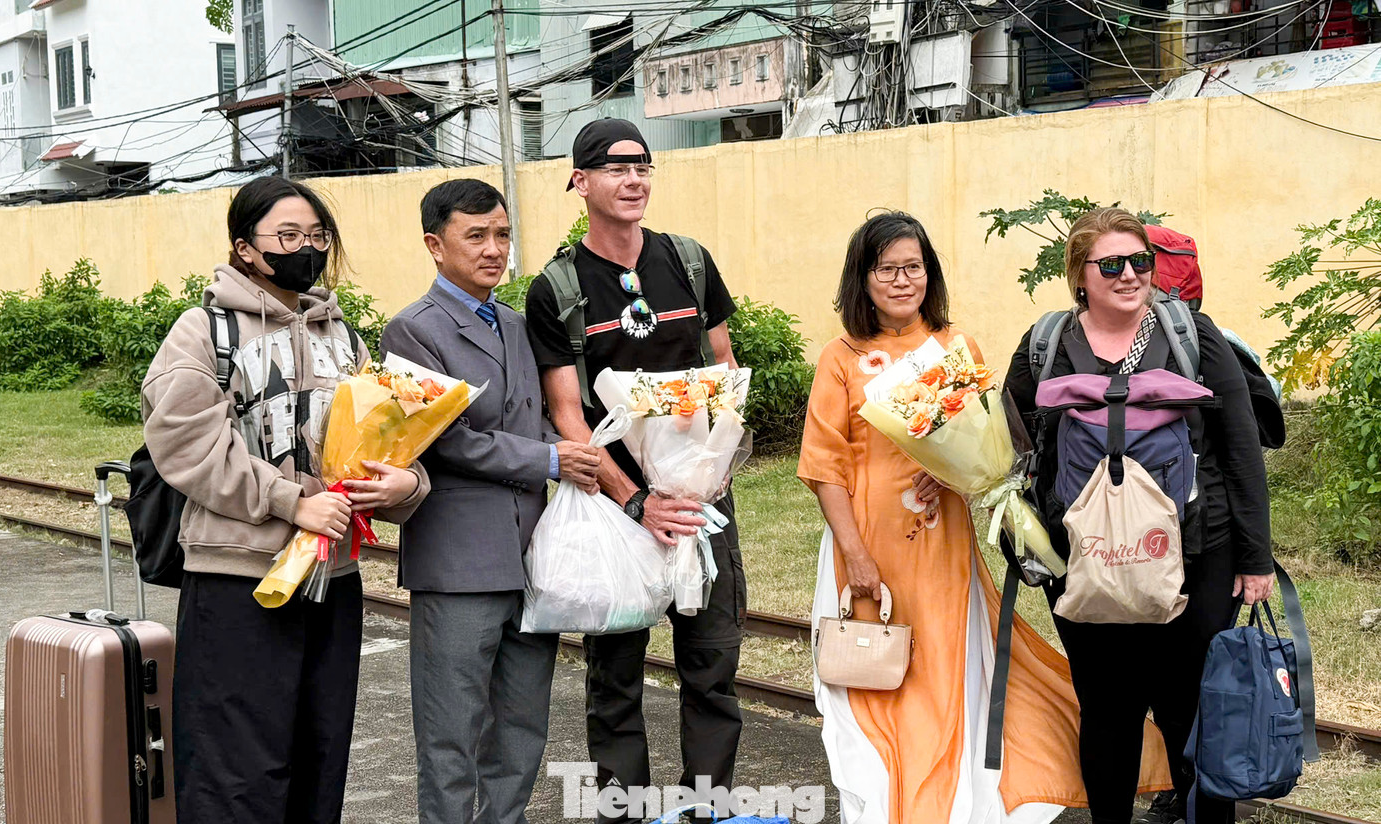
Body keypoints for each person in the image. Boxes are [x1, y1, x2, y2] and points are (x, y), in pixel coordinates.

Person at [797, 211, 1167, 823]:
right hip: (867, 543)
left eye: (912, 267)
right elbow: (824, 465)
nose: (900, 280)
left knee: (946, 664)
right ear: (861, 279)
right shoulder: (841, 358)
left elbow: (995, 433)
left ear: (929, 273)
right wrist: (854, 554)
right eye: (885, 269)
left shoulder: (955, 346)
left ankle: (947, 792)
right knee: (880, 676)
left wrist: (951, 470)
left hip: (944, 543)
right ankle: (894, 790)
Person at [142, 175, 431, 822]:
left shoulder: (345, 339)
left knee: (319, 760)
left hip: (334, 582)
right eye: (289, 236)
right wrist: (289, 501)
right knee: (235, 773)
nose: (307, 248)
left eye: (317, 235)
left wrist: (406, 485)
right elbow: (185, 443)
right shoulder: (203, 332)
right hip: (239, 582)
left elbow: (386, 437)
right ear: (245, 248)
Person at [1004, 207, 1275, 824]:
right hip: (1084, 559)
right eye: (1112, 264)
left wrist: (1255, 557)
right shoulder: (1045, 344)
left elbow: (1239, 447)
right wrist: (1017, 531)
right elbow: (1009, 446)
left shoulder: (1191, 335)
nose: (1130, 275)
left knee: (1189, 709)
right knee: (1107, 708)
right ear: (1080, 275)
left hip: (1196, 554)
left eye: (1141, 262)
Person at [525, 118, 744, 822]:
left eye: (643, 165)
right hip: (618, 510)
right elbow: (569, 415)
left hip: (703, 501)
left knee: (712, 665)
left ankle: (705, 807)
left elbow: (723, 370)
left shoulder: (688, 261)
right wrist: (636, 499)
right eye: (615, 167)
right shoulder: (557, 287)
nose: (634, 179)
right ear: (579, 180)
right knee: (616, 673)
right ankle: (624, 811)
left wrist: (711, 469)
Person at [380, 179, 601, 824]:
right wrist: (553, 458)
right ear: (435, 244)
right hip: (458, 563)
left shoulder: (514, 323)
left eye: (502, 234)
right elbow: (446, 442)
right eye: (475, 235)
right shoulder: (412, 331)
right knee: (451, 733)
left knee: (523, 726)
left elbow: (533, 418)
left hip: (534, 553)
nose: (493, 248)